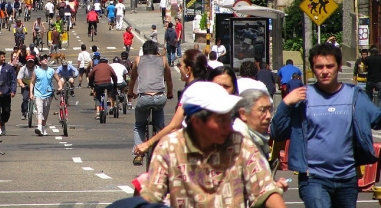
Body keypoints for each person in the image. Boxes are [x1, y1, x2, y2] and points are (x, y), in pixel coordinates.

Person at [140, 81, 286, 207]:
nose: (229, 126)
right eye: (221, 120)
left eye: (229, 118)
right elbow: (152, 194)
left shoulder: (240, 144)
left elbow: (266, 190)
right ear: (197, 122)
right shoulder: (170, 147)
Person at [271, 43, 381, 208]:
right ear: (312, 68)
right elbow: (277, 132)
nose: (324, 71)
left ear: (339, 66)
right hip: (313, 178)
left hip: (347, 178)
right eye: (319, 66)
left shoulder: (354, 96)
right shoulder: (302, 97)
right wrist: (285, 104)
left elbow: (377, 119)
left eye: (330, 66)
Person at [127, 41, 173, 165]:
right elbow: (168, 78)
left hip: (144, 98)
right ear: (156, 50)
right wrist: (170, 93)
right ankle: (164, 153)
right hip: (159, 98)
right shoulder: (163, 60)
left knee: (139, 125)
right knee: (160, 125)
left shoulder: (138, 60)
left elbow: (133, 78)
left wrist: (130, 92)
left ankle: (138, 154)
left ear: (144, 50)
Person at [30, 54, 63, 136]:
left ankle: (43, 128)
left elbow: (58, 80)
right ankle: (39, 127)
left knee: (45, 112)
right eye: (43, 59)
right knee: (39, 111)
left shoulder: (51, 71)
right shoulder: (36, 71)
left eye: (46, 59)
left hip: (48, 94)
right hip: (38, 94)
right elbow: (32, 82)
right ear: (40, 62)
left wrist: (60, 86)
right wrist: (31, 93)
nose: (45, 60)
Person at [17, 55, 37, 120]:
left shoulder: (37, 68)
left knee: (39, 99)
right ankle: (24, 112)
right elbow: (19, 78)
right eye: (29, 62)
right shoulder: (23, 68)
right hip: (26, 85)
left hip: (36, 85)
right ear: (27, 62)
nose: (30, 63)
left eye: (31, 62)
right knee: (25, 99)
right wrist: (21, 84)